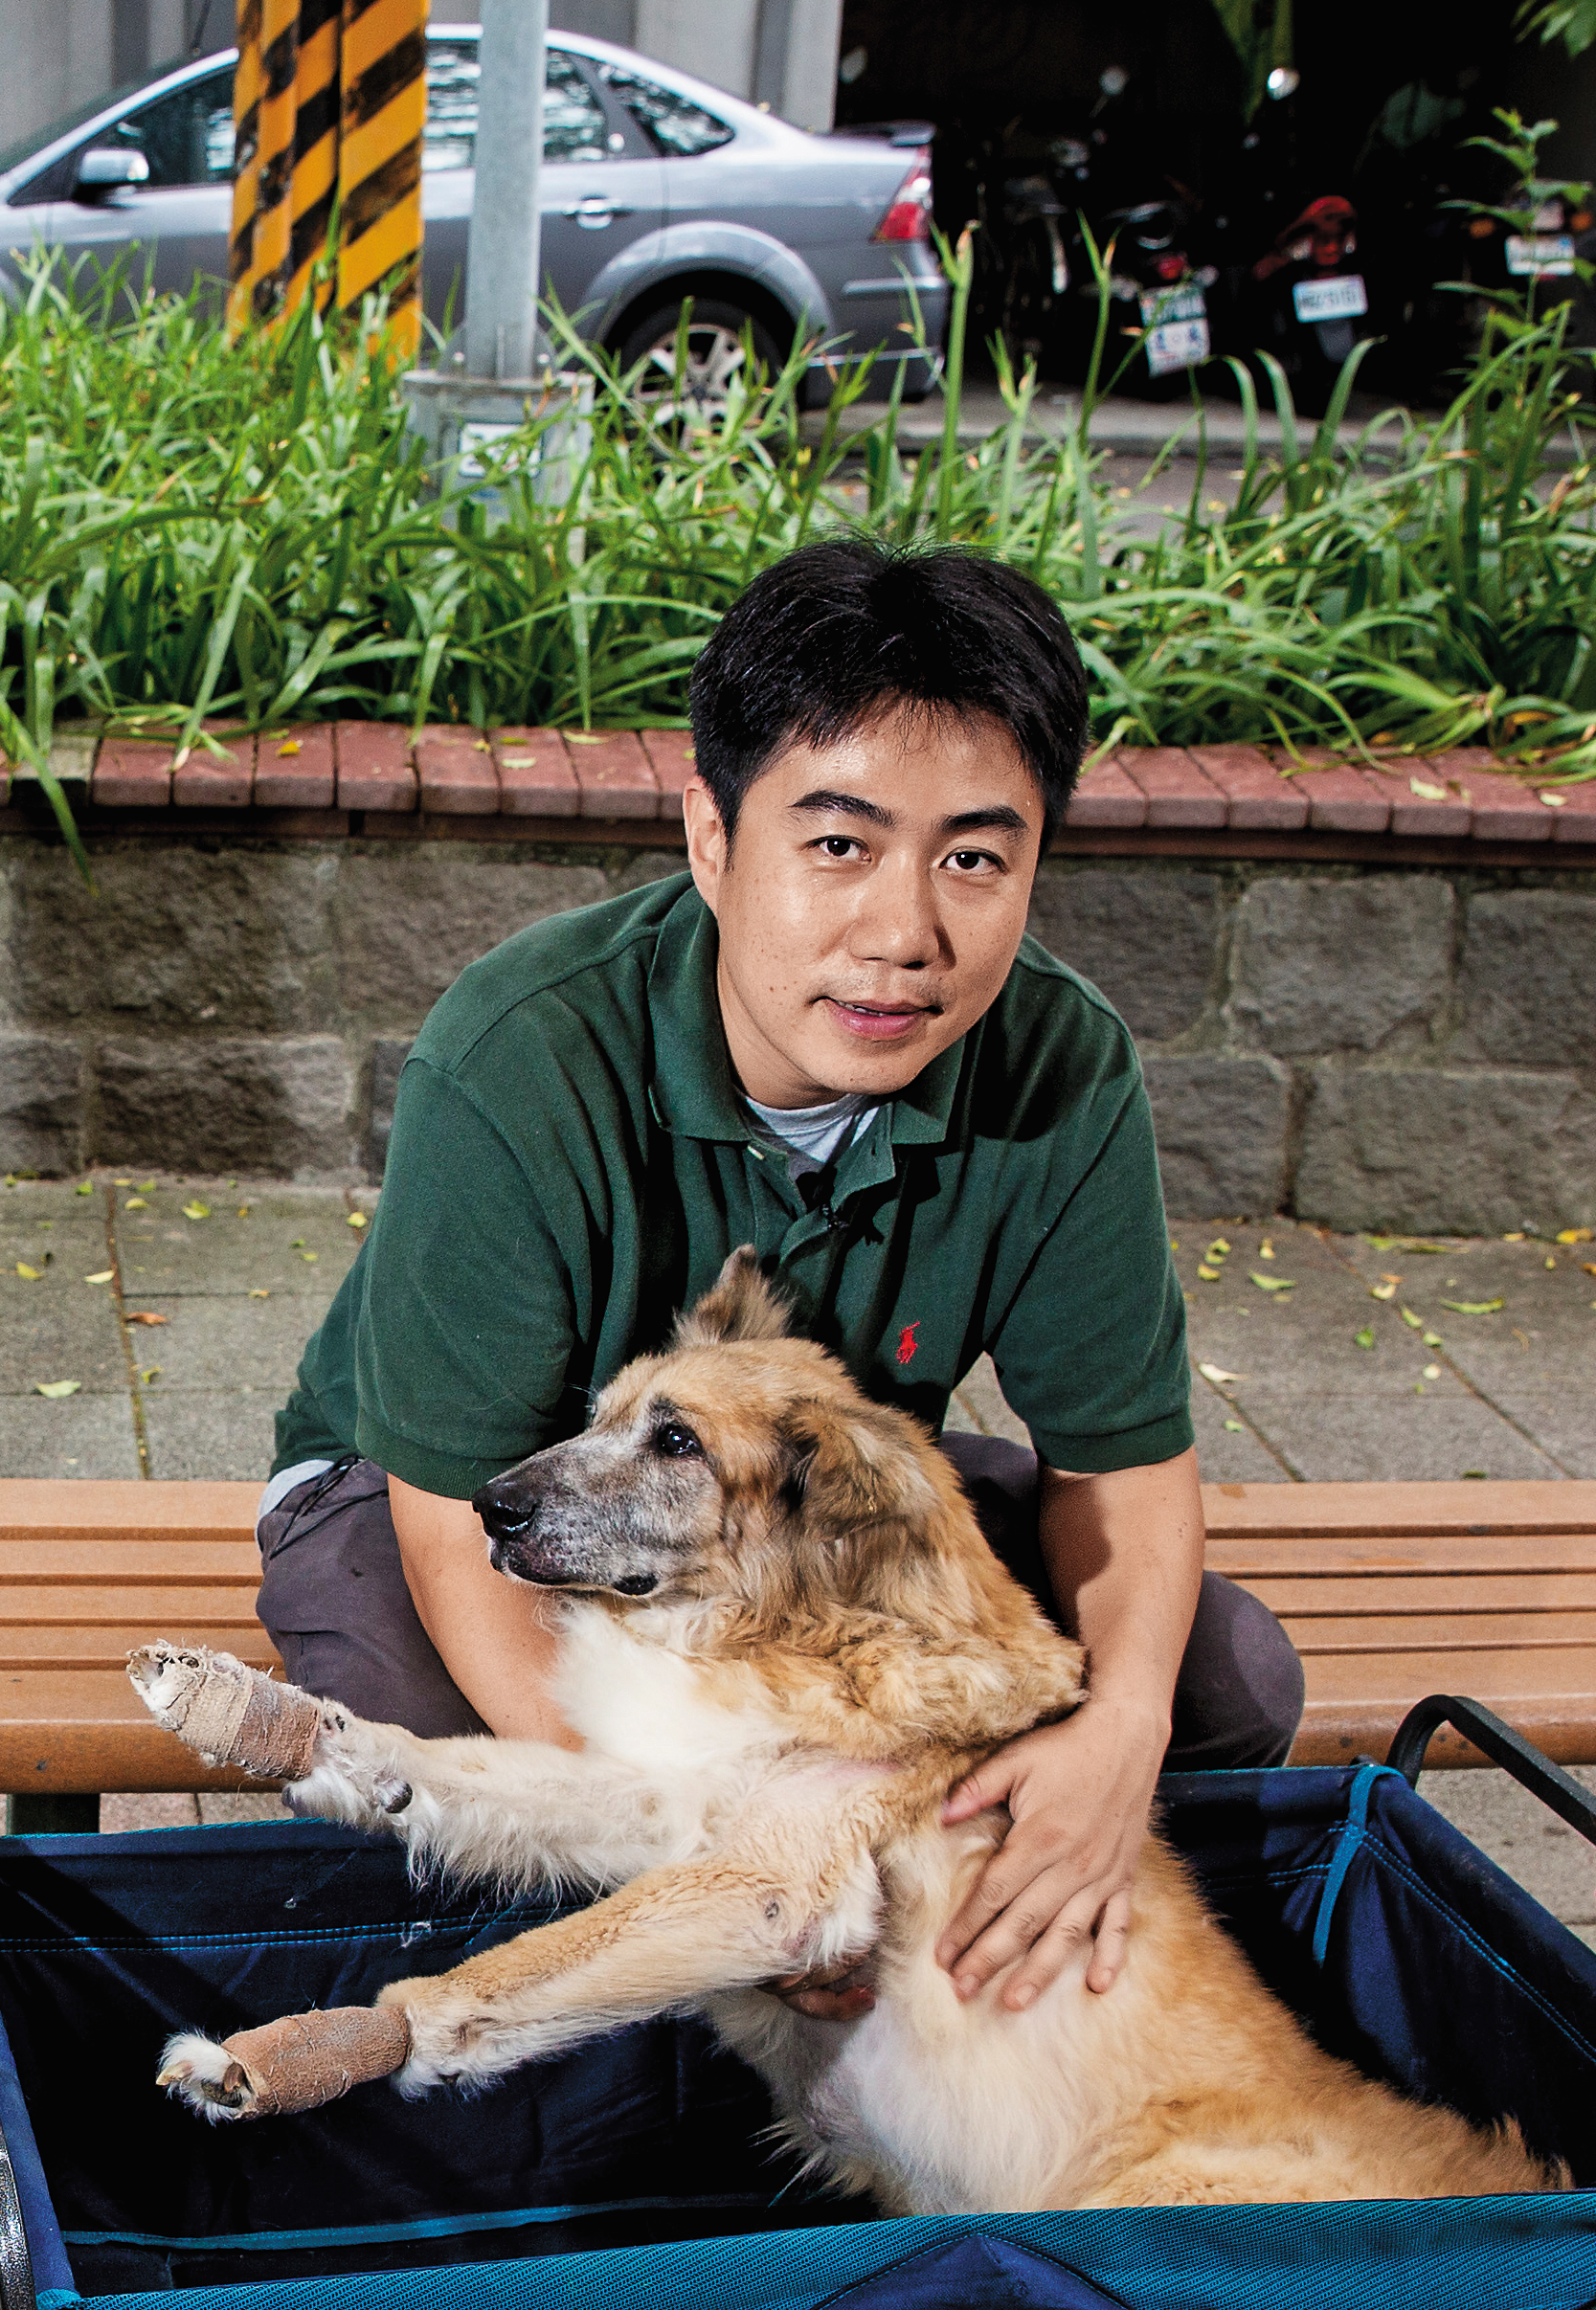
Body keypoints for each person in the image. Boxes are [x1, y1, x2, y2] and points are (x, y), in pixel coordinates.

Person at [255, 537, 1298, 2014]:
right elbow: (450, 1512)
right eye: (838, 843)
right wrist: (714, 1878)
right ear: (710, 839)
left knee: (1222, 1682)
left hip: (787, 1502)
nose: (905, 934)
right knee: (433, 1756)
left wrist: (1119, 1732)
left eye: (975, 858)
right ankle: (546, 2136)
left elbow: (1119, 1471)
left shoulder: (1065, 1065)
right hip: (442, 1487)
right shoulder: (518, 1053)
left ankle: (969, 2076)